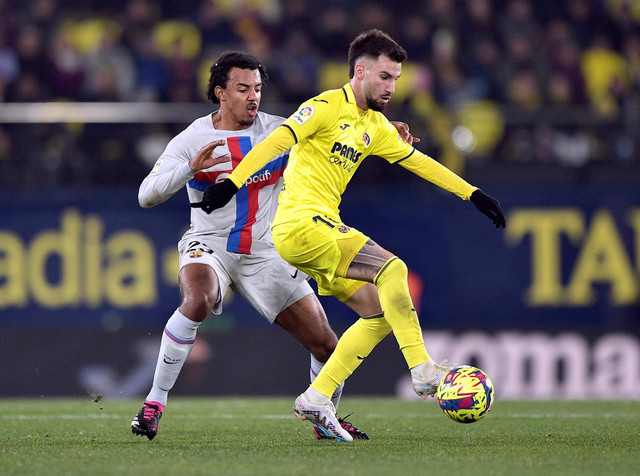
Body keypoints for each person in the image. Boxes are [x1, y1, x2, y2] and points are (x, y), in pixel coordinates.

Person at [191, 30, 506, 442]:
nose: (393, 87)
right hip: (300, 224)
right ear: (360, 71)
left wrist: (474, 194)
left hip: (317, 232)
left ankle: (318, 397)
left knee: (379, 312)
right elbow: (278, 141)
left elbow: (420, 163)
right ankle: (423, 370)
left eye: (396, 78)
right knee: (393, 269)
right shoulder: (323, 106)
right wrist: (232, 183)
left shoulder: (374, 125)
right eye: (385, 77)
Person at [131, 51, 416, 442]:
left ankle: (324, 415)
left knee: (326, 344)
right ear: (220, 92)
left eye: (258, 88)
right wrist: (188, 169)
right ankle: (153, 405)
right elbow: (146, 195)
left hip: (266, 252)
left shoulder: (281, 132)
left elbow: (342, 140)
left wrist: (385, 130)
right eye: (242, 88)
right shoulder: (192, 138)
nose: (253, 96)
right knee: (197, 300)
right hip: (209, 243)